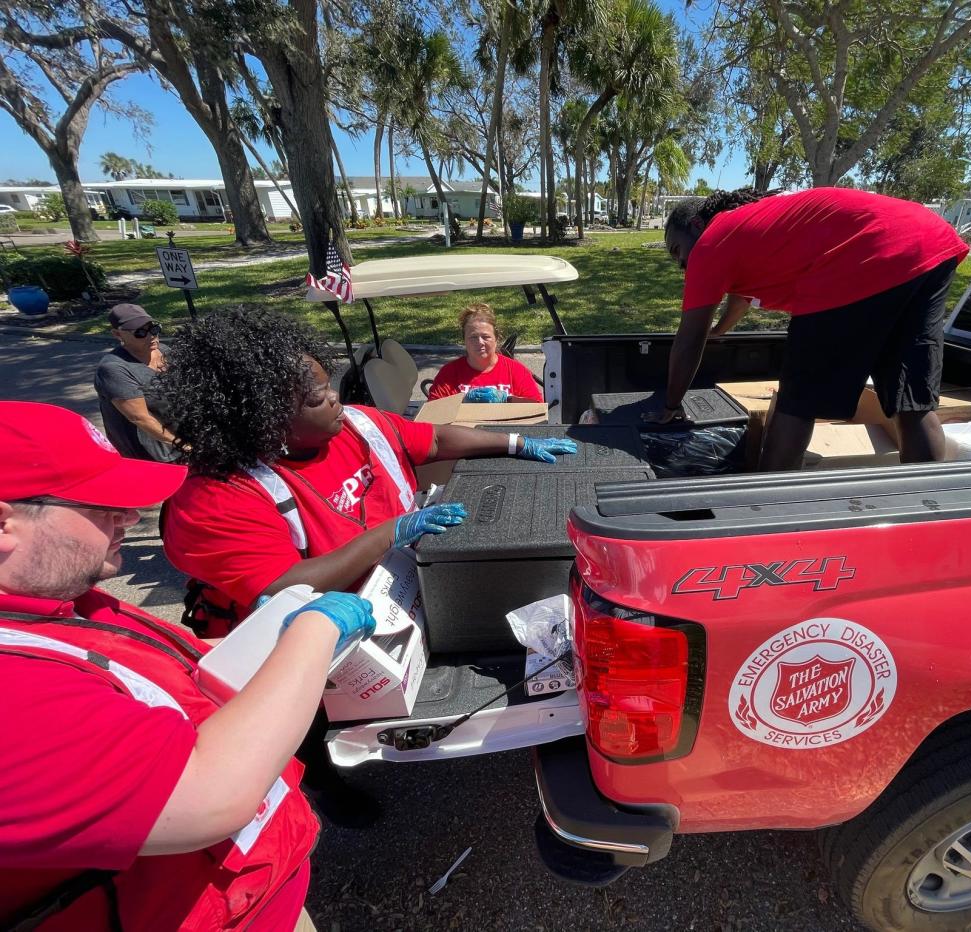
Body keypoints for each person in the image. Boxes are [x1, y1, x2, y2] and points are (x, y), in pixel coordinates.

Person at [0, 401, 376, 930]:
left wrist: (259, 637)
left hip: (251, 895)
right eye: (101, 503)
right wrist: (313, 632)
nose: (129, 517)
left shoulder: (56, 598)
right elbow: (210, 793)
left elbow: (170, 672)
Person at [158, 307, 573, 627]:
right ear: (263, 416)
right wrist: (390, 534)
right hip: (327, 638)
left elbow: (436, 437)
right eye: (317, 399)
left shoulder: (359, 424)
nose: (336, 400)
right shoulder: (216, 498)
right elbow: (283, 586)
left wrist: (516, 442)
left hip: (408, 590)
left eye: (329, 388)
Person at [651, 187, 970, 469]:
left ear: (696, 226)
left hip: (862, 254)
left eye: (677, 250)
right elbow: (740, 299)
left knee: (797, 403)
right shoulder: (746, 227)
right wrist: (721, 329)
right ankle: (926, 505)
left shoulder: (711, 243)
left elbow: (689, 338)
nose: (681, 264)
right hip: (930, 242)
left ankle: (764, 508)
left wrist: (671, 405)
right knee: (911, 400)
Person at [93, 303, 179, 462]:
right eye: (140, 333)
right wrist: (181, 445)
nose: (151, 336)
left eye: (154, 328)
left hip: (180, 441)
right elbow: (141, 418)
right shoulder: (114, 369)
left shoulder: (165, 352)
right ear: (118, 334)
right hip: (152, 454)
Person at [427, 303, 544, 402]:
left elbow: (537, 407)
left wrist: (506, 399)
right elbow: (433, 413)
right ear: (464, 340)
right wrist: (462, 401)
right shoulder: (448, 374)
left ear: (496, 339)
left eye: (485, 337)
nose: (480, 342)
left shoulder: (516, 371)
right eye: (473, 337)